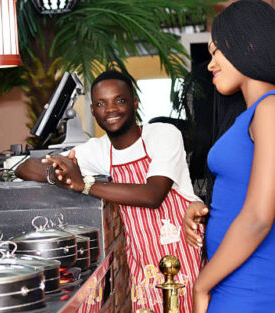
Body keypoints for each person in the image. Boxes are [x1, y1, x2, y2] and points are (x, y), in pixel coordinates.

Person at [16, 70, 201, 313]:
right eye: (101, 104)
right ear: (93, 111)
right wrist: (59, 175)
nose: (110, 109)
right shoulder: (97, 150)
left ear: (135, 103)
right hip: (142, 263)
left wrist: (83, 183)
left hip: (181, 255)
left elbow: (153, 195)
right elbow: (25, 168)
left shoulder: (163, 134)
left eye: (119, 100)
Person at [181, 1, 275, 312]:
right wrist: (206, 210)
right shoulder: (248, 115)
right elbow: (241, 192)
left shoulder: (273, 107)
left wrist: (202, 285)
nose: (211, 63)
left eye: (217, 52)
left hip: (255, 284)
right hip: (230, 278)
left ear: (250, 44)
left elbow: (258, 217)